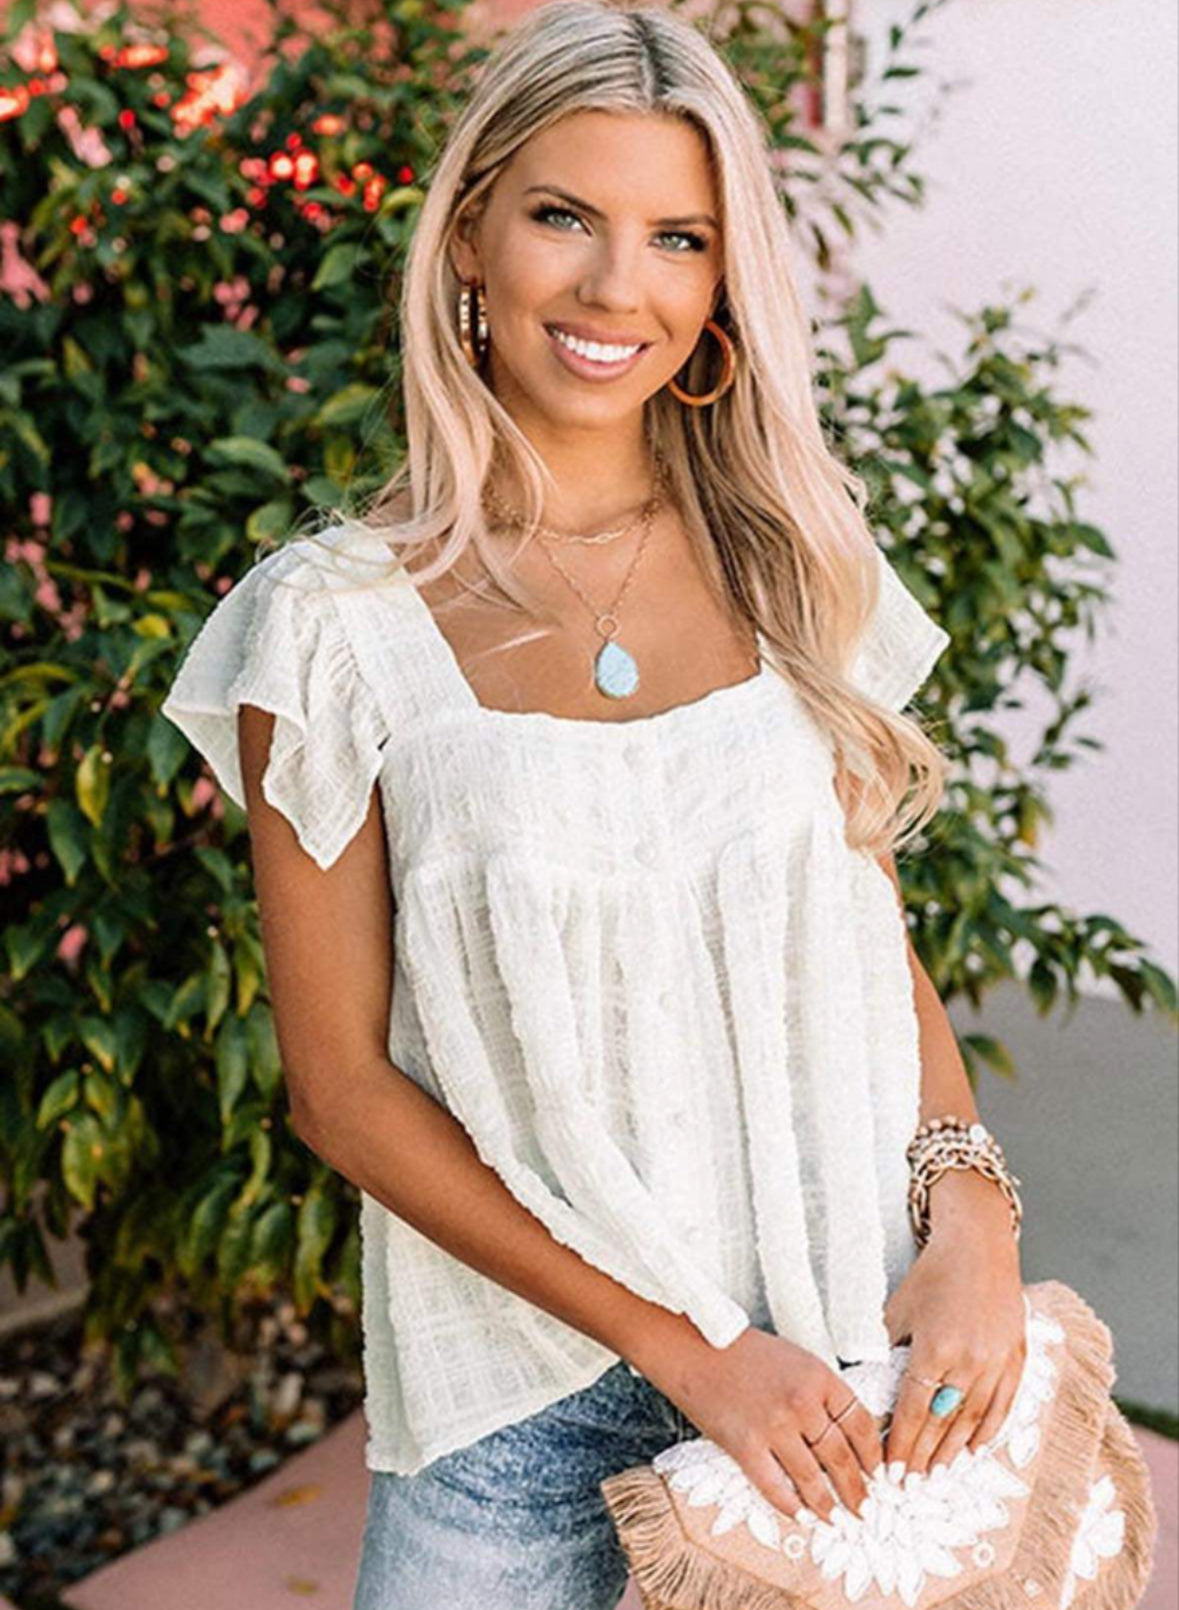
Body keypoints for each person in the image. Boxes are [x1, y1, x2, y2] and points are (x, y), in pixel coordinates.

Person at [160, 2, 1027, 1605]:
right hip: (520, 1411)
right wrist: (688, 1349)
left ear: (721, 283)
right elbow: (341, 1088)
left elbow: (854, 936)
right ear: (473, 232)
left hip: (840, 1351)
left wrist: (971, 1208)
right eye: (566, 215)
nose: (618, 286)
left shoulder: (794, 565)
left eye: (678, 237)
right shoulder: (333, 626)